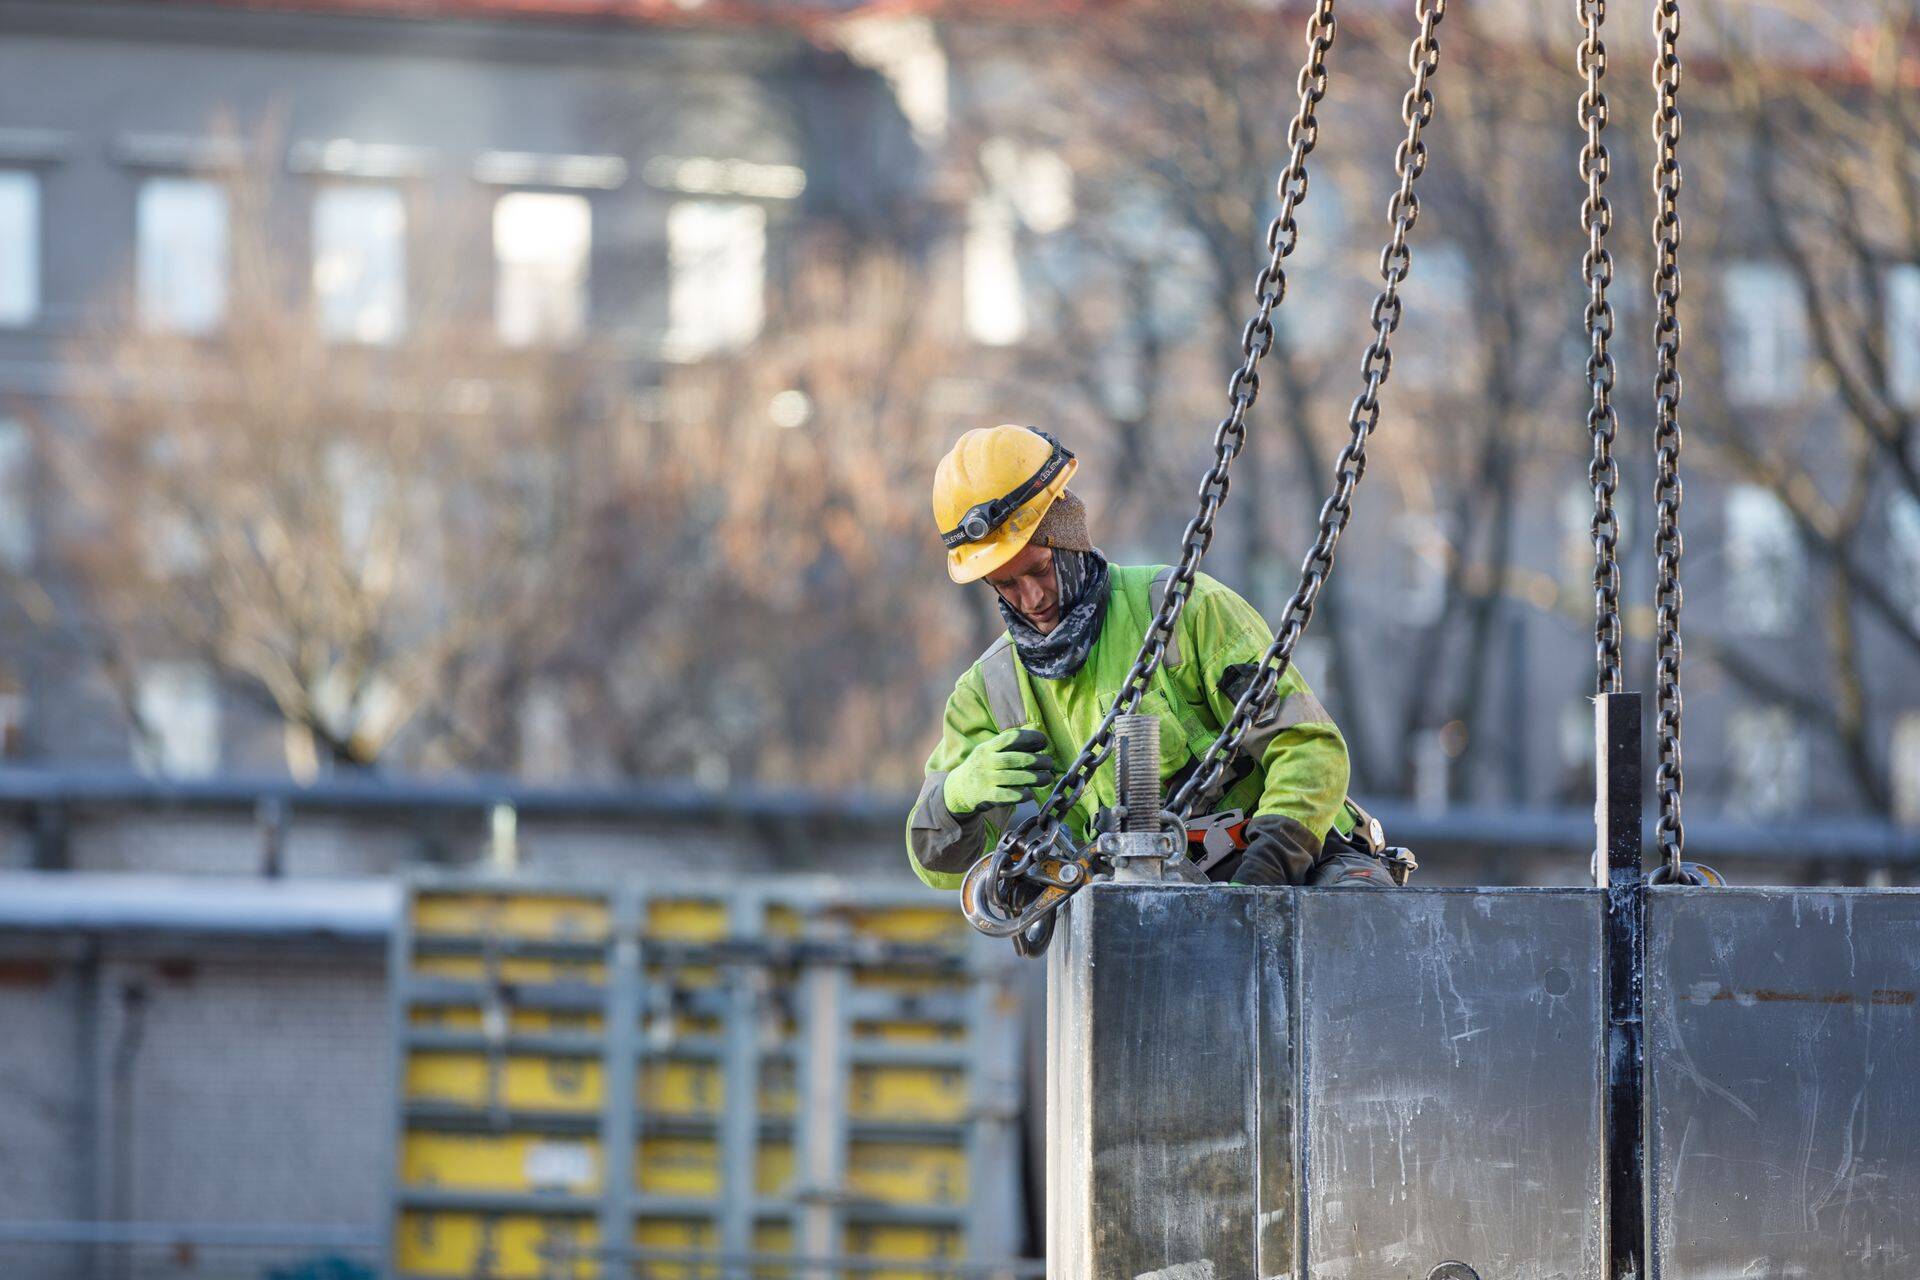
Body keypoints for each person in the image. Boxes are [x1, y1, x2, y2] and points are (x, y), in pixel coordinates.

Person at [906, 423, 1398, 891]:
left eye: (1039, 569)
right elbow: (940, 864)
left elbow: (1309, 749)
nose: (1032, 598)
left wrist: (1260, 878)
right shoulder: (992, 692)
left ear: (1071, 534)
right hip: (1145, 902)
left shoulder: (1186, 612)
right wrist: (956, 798)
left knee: (1352, 920)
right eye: (1007, 584)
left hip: (1300, 863)